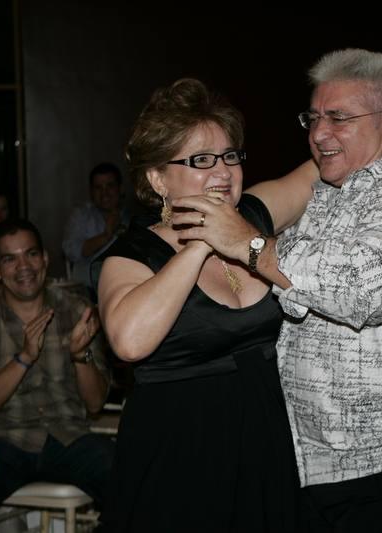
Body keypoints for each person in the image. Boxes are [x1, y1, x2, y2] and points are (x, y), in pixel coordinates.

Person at [174, 48, 382, 532]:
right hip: (325, 464)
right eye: (313, 117)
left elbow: (356, 289)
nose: (317, 133)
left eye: (338, 118)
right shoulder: (332, 191)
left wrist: (248, 244)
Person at [94, 78, 304, 532]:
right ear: (158, 179)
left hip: (266, 440)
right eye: (201, 160)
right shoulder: (131, 256)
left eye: (230, 156)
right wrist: (202, 242)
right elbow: (128, 342)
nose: (223, 172)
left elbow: (320, 170)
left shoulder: (253, 215)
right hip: (180, 458)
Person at [0, 218, 114, 532]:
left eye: (31, 254)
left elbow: (95, 404)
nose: (23, 267)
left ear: (45, 258)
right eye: (9, 259)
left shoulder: (75, 311)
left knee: (132, 479)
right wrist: (24, 358)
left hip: (68, 437)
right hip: (0, 442)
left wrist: (79, 356)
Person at [62, 162, 128, 289]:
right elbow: (71, 251)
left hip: (126, 286)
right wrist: (106, 235)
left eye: (110, 186)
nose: (104, 193)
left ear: (120, 188)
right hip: (88, 288)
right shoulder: (81, 215)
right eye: (98, 187)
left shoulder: (134, 217)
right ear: (91, 192)